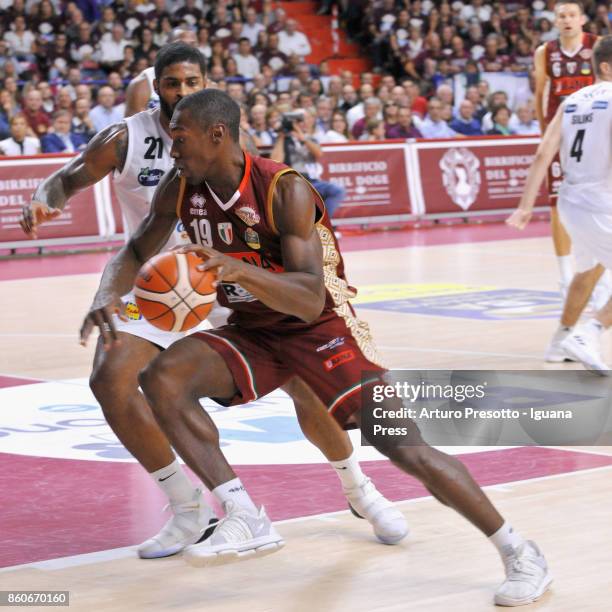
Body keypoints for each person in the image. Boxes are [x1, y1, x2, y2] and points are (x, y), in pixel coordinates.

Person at [81, 88, 551, 605]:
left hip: (323, 329)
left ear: (217, 135)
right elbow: (138, 246)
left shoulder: (285, 188)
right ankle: (243, 514)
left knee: (405, 447)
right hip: (255, 329)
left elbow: (308, 299)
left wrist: (239, 270)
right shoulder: (181, 184)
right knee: (162, 377)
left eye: (180, 138)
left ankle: (520, 551)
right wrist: (107, 292)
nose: (172, 149)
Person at [20, 42, 406, 561]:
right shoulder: (126, 138)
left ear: (206, 88)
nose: (181, 92)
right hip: (160, 282)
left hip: (226, 278)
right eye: (171, 83)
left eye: (191, 83)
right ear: (156, 86)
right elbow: (70, 179)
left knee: (303, 386)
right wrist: (46, 201)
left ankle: (359, 488)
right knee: (109, 378)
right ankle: (188, 509)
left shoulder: (218, 134)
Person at [507, 35, 612, 374]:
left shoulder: (570, 101)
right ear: (608, 66)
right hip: (600, 201)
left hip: (570, 202)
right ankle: (589, 332)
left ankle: (561, 339)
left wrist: (525, 207)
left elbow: (542, 154)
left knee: (589, 270)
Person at [533, 0, 601, 300]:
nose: (567, 19)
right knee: (556, 204)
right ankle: (565, 276)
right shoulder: (545, 52)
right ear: (555, 21)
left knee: (600, 201)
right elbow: (540, 94)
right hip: (562, 134)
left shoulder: (598, 46)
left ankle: (599, 272)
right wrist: (544, 133)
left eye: (572, 14)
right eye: (562, 16)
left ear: (582, 19)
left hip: (596, 132)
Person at [270, 108, 346, 218]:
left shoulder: (310, 139)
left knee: (337, 191)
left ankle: (323, 222)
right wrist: (281, 136)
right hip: (292, 181)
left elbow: (318, 154)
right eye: (298, 121)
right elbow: (276, 161)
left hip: (312, 181)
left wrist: (303, 138)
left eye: (302, 120)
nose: (301, 123)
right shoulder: (282, 140)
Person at [124, 28, 198, 117]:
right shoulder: (143, 82)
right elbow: (134, 127)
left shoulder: (206, 83)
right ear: (167, 46)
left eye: (192, 44)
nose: (187, 49)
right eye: (181, 44)